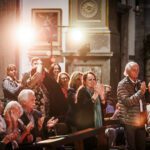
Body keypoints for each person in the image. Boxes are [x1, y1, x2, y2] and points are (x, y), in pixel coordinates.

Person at [117, 61, 147, 150]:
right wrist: (141, 92)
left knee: (142, 147)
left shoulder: (138, 83)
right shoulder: (122, 84)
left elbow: (142, 102)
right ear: (128, 71)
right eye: (134, 69)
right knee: (131, 147)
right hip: (129, 121)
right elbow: (127, 102)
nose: (137, 71)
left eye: (138, 70)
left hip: (141, 120)